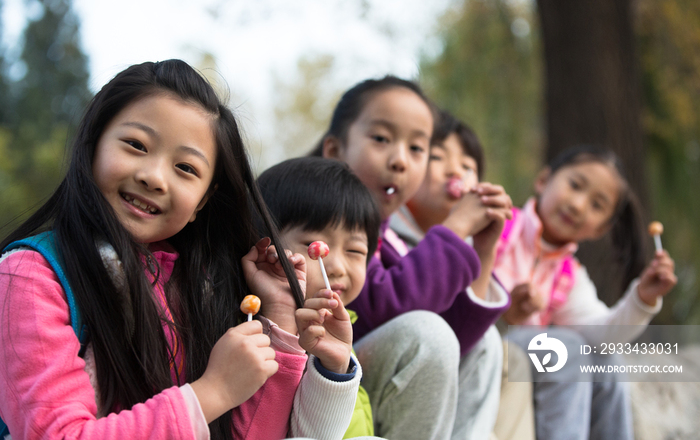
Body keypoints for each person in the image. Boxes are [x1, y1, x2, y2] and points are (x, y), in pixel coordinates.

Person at [0, 60, 361, 440]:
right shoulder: (30, 276)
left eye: (185, 168)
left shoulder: (201, 288)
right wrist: (211, 393)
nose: (154, 177)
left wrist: (281, 316)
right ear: (92, 144)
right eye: (136, 145)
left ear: (204, 201)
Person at [311, 76, 512, 439]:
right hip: (322, 377)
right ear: (335, 150)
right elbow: (386, 306)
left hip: (364, 372)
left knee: (486, 343)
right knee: (427, 332)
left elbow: (458, 339)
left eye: (417, 148)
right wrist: (456, 227)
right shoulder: (316, 217)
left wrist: (483, 249)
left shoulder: (385, 236)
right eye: (381, 139)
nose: (400, 160)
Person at [494, 144, 678, 440]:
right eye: (575, 185)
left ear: (599, 230)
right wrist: (502, 308)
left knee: (607, 361)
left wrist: (642, 298)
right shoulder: (496, 226)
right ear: (543, 180)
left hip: (524, 360)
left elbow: (601, 335)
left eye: (596, 205)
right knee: (565, 347)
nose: (579, 205)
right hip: (485, 344)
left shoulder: (569, 275)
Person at [389, 109, 535, 440]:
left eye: (468, 166)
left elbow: (470, 324)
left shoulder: (465, 245)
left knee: (512, 357)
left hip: (447, 359)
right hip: (402, 367)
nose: (455, 170)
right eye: (437, 157)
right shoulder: (390, 232)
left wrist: (485, 248)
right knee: (490, 343)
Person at [258, 156, 382, 439]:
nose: (337, 266)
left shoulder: (340, 332)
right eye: (316, 247)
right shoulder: (255, 332)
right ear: (265, 243)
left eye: (355, 251)